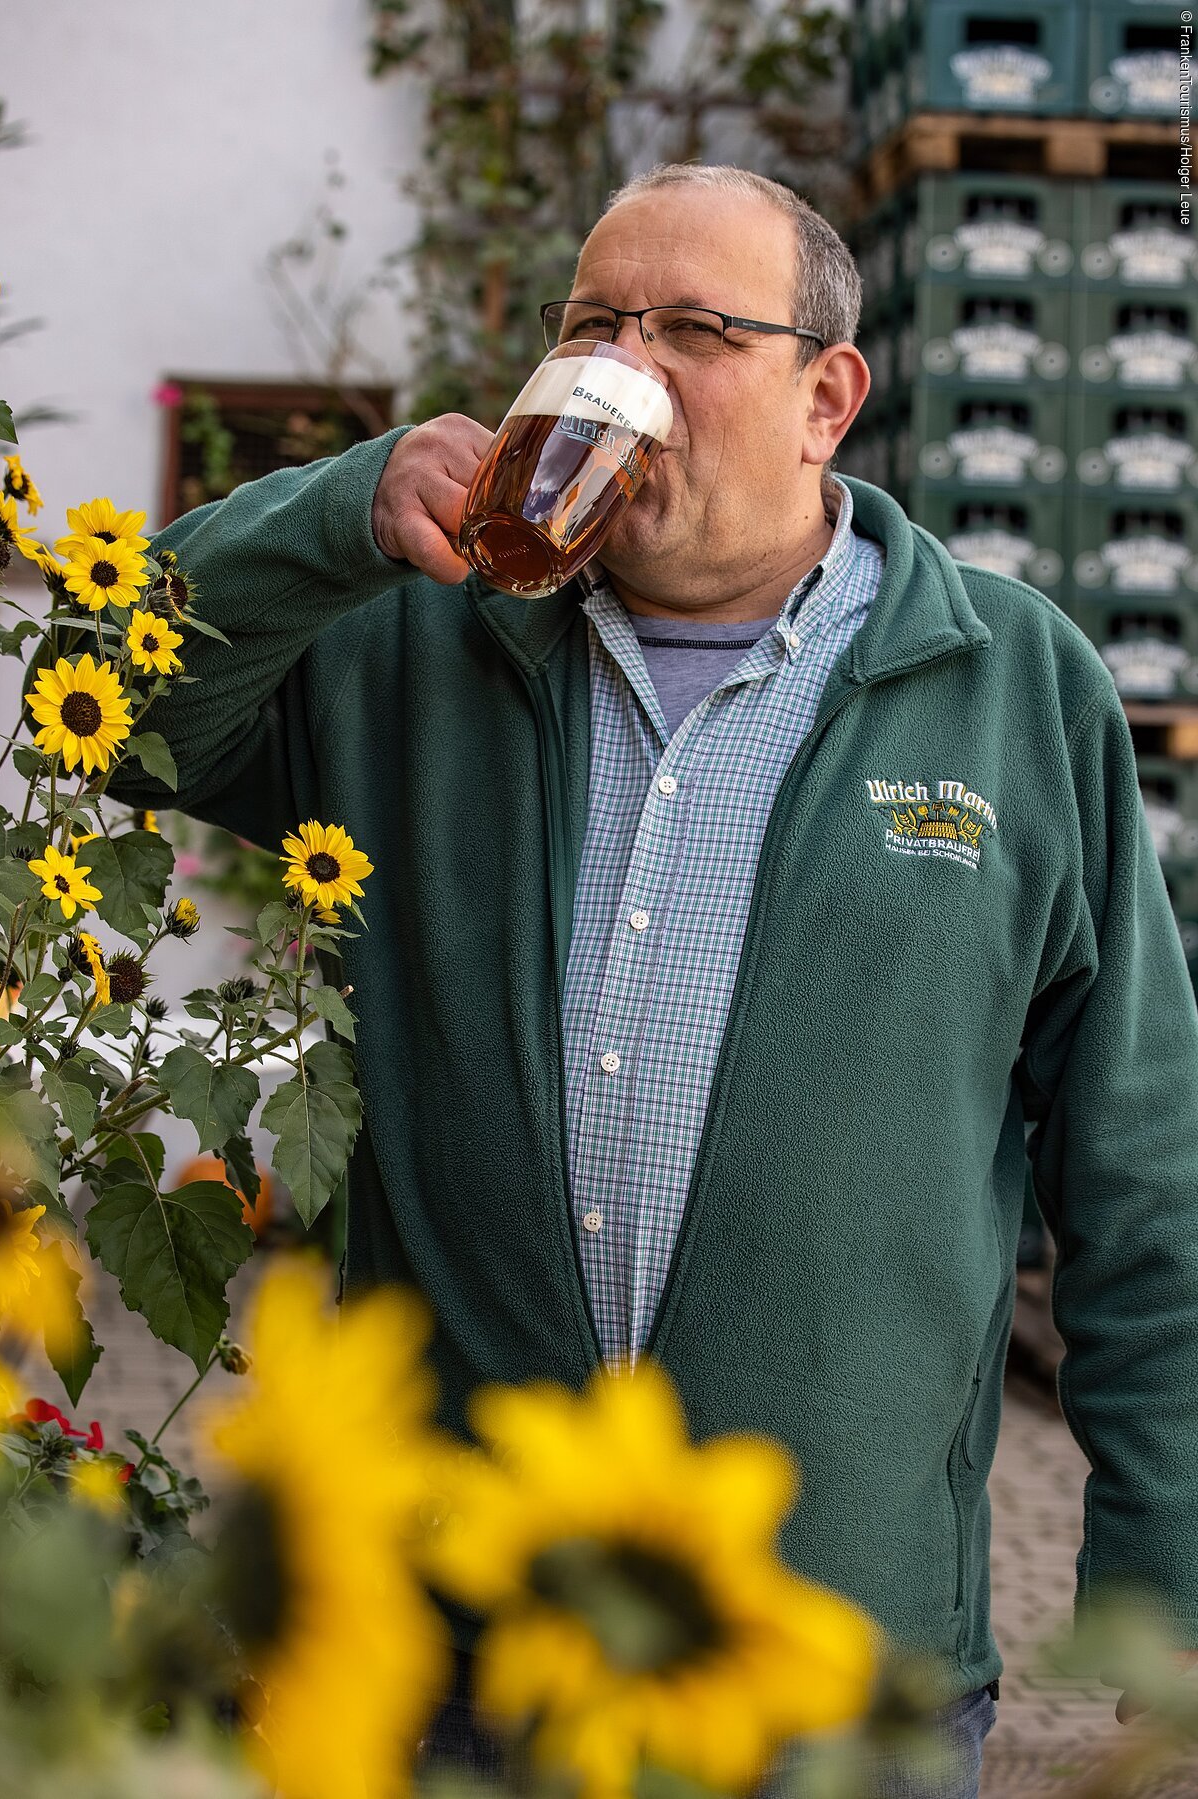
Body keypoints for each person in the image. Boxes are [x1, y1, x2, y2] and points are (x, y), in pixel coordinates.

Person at [106, 163, 1198, 1797]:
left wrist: (1161, 1605)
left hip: (833, 1675)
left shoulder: (1011, 688)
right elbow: (106, 709)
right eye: (594, 325)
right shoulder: (415, 652)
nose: (625, 366)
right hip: (452, 1651)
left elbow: (1147, 1174)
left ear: (827, 397)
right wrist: (340, 510)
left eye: (695, 329)